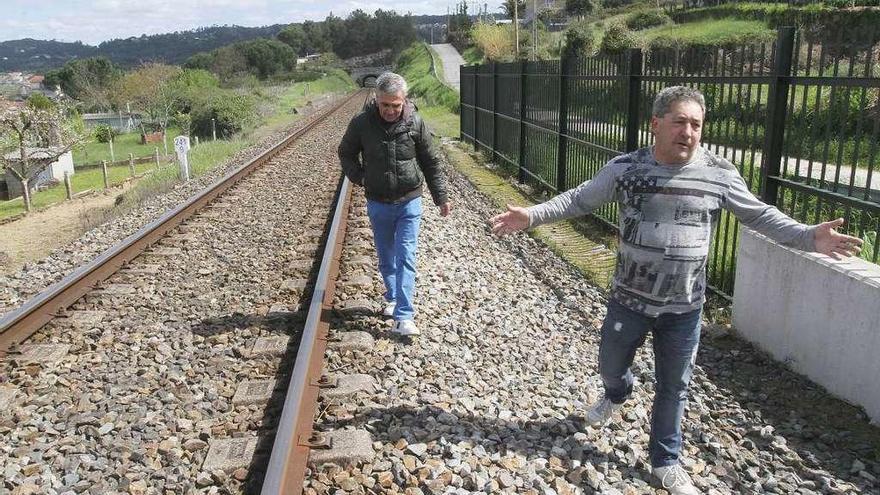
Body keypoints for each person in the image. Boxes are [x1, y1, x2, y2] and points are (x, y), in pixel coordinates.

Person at [489, 86, 862, 494]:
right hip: (629, 300)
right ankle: (618, 391)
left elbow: (760, 215)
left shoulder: (720, 173)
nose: (689, 132)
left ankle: (665, 460)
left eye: (696, 124)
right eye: (680, 121)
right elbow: (580, 200)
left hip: (685, 309)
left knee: (675, 385)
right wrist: (532, 215)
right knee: (610, 367)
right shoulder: (627, 168)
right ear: (656, 125)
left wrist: (810, 236)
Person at [338, 72, 451, 337]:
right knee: (386, 254)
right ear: (377, 99)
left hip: (409, 200)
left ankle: (404, 315)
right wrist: (361, 177)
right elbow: (345, 152)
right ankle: (392, 296)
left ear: (404, 100)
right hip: (378, 201)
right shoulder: (362, 123)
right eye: (385, 104)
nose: (390, 110)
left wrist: (441, 197)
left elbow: (431, 162)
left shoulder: (416, 123)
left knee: (406, 255)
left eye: (396, 105)